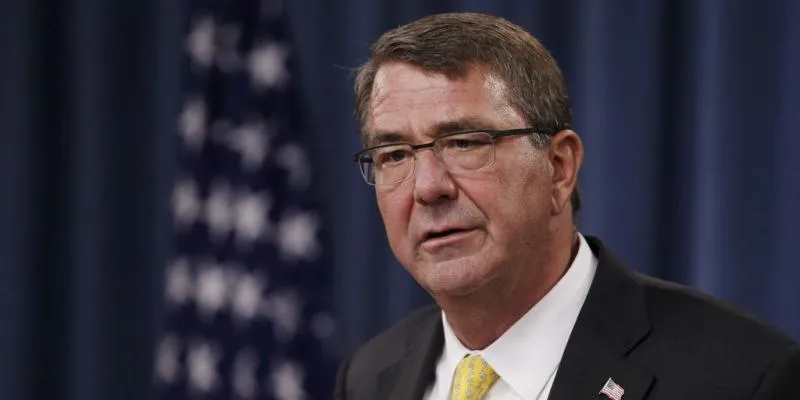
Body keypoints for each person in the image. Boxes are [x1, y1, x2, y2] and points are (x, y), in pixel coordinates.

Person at [334, 12, 800, 400]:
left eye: (465, 143)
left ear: (559, 167)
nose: (428, 188)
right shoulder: (369, 377)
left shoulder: (744, 378)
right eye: (394, 155)